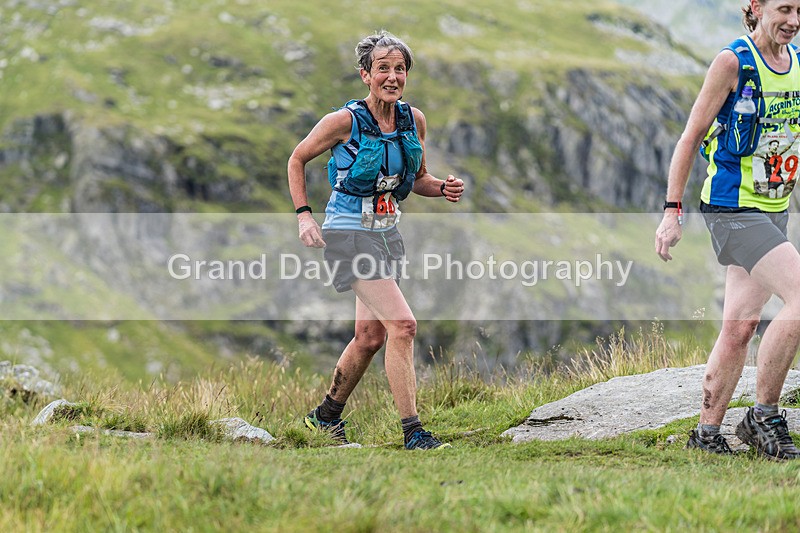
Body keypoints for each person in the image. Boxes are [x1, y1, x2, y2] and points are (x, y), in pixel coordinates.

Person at [287, 31, 465, 449]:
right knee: (403, 326)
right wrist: (304, 217)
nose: (392, 76)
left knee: (370, 337)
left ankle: (324, 417)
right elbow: (297, 159)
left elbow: (417, 179)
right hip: (348, 234)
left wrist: (442, 188)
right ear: (365, 75)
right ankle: (413, 432)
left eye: (400, 68)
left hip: (386, 235)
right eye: (383, 68)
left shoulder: (413, 120)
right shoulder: (343, 122)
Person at [656, 0, 800, 459]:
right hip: (731, 208)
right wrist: (672, 210)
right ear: (757, 7)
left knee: (740, 326)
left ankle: (706, 435)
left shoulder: (797, 64)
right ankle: (764, 417)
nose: (794, 21)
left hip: (774, 208)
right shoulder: (733, 62)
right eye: (784, 9)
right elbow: (691, 136)